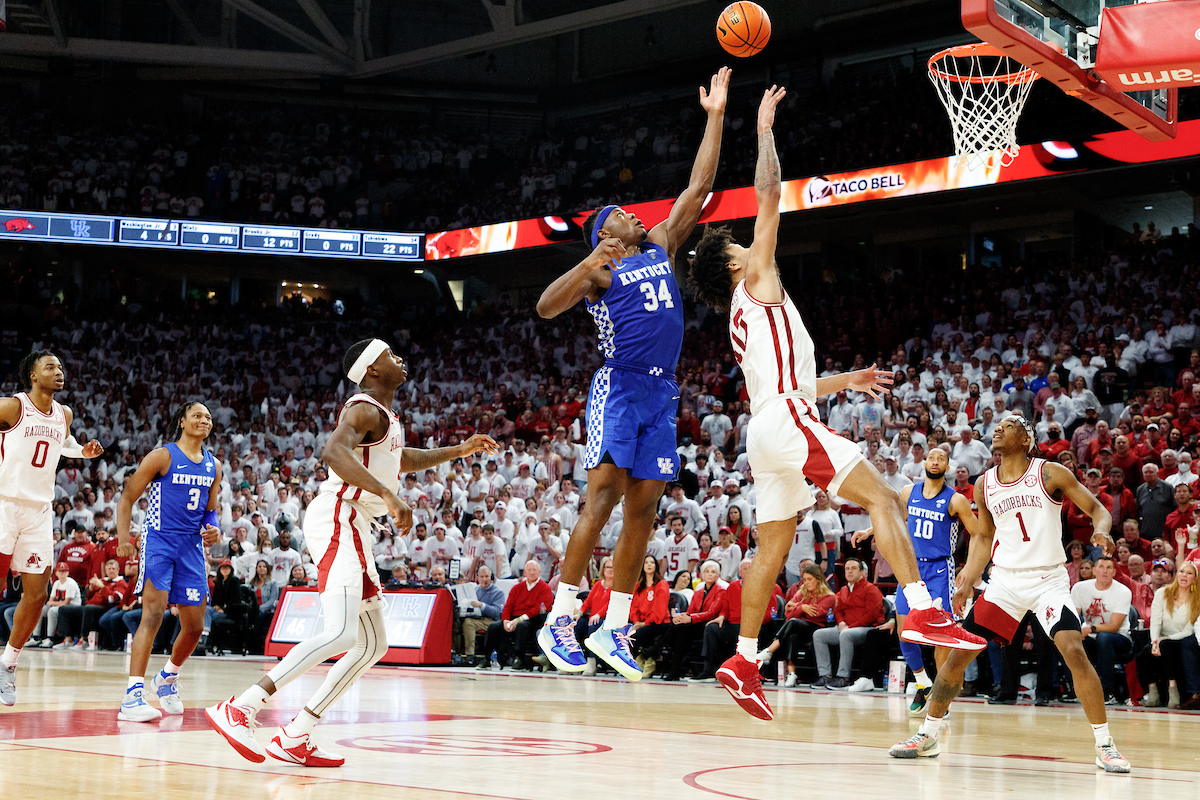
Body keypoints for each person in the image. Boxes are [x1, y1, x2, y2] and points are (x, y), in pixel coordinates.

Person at [686, 85, 983, 721]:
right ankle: (923, 612)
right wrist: (764, 129)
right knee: (885, 499)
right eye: (739, 247)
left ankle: (742, 658)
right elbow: (770, 194)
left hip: (767, 425)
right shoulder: (757, 276)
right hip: (787, 422)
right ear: (733, 265)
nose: (749, 246)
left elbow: (790, 381)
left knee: (772, 546)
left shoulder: (742, 313)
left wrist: (846, 381)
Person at [207, 339, 498, 767]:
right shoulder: (363, 407)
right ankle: (241, 706)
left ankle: (297, 733)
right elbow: (332, 451)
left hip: (355, 522)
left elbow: (400, 460)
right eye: (390, 354)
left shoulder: (386, 418)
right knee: (343, 633)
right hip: (337, 514)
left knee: (373, 644)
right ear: (372, 369)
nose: (400, 358)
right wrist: (388, 495)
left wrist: (458, 450)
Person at [534, 68, 732, 682]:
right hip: (619, 385)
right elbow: (545, 307)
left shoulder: (661, 246)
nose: (632, 215)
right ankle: (560, 619)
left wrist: (715, 116)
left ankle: (614, 626)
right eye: (620, 214)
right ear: (605, 236)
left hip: (661, 391)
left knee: (644, 510)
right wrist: (586, 261)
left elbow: (699, 187)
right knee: (602, 499)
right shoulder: (599, 270)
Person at [887, 415, 1131, 774]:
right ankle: (928, 734)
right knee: (957, 657)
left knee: (1074, 650)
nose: (999, 429)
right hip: (1004, 582)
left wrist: (1103, 530)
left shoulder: (1050, 473)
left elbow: (1097, 509)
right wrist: (969, 578)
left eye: (1010, 425)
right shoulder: (984, 483)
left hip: (1047, 581)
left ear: (1026, 439)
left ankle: (1105, 744)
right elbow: (984, 536)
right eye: (997, 426)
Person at [0, 350, 104, 704]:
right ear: (32, 375)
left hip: (40, 511)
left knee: (37, 594)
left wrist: (82, 452)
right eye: (50, 367)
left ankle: (8, 663)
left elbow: (63, 442)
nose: (58, 371)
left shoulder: (64, 413)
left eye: (60, 367)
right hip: (5, 504)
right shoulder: (13, 407)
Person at [115, 400, 223, 722]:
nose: (204, 420)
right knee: (153, 614)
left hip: (191, 546)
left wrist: (214, 528)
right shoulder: (162, 456)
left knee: (195, 627)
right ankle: (132, 695)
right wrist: (123, 539)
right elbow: (127, 497)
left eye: (208, 417)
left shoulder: (214, 465)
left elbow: (210, 510)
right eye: (197, 415)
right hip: (159, 540)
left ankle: (166, 678)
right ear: (182, 422)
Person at [854, 446, 982, 714]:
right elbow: (894, 518)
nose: (935, 462)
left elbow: (978, 534)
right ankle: (923, 683)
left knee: (939, 636)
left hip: (939, 570)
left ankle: (941, 697)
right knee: (904, 632)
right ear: (924, 463)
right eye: (931, 458)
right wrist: (869, 530)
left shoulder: (955, 500)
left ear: (947, 467)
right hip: (910, 568)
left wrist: (971, 570)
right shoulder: (908, 492)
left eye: (941, 459)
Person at [810, 558, 885, 691]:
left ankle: (843, 677)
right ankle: (825, 675)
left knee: (846, 634)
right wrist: (841, 622)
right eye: (847, 569)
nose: (849, 571)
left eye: (853, 568)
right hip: (846, 627)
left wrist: (850, 627)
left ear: (861, 572)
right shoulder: (844, 590)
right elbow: (837, 610)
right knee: (819, 635)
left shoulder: (871, 589)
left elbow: (871, 615)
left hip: (866, 628)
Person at [756, 564, 835, 687]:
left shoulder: (829, 596)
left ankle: (769, 651)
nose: (806, 583)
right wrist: (803, 608)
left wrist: (797, 607)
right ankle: (792, 674)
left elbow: (816, 614)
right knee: (793, 636)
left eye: (810, 579)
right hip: (798, 627)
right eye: (805, 580)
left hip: (816, 629)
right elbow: (788, 614)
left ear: (818, 579)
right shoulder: (801, 593)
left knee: (793, 623)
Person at [1141, 561, 1200, 709]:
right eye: (1181, 571)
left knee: (1166, 646)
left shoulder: (1197, 599)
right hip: (1161, 637)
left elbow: (1189, 630)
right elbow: (1155, 621)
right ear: (1176, 575)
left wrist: (1165, 639)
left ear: (1195, 579)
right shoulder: (1162, 593)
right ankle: (1153, 691)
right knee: (1145, 652)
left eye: (1189, 573)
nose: (1184, 575)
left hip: (1181, 640)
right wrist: (1155, 642)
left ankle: (1173, 690)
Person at [480, 560, 553, 671]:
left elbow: (538, 609)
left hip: (533, 620)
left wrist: (518, 620)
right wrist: (505, 620)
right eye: (529, 570)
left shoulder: (545, 588)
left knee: (521, 626)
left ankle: (520, 659)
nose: (532, 572)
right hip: (514, 618)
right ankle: (486, 659)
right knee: (493, 626)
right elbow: (508, 606)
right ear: (525, 572)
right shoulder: (517, 588)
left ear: (539, 572)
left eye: (534, 570)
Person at [630, 555, 670, 677]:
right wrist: (636, 621)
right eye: (646, 562)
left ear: (656, 566)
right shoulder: (638, 585)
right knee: (628, 633)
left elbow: (659, 610)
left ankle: (648, 660)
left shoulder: (661, 584)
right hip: (641, 622)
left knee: (639, 634)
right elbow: (633, 607)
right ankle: (641, 659)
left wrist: (644, 623)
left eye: (652, 562)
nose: (649, 564)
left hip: (660, 622)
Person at [576, 557, 614, 676]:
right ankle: (576, 660)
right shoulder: (597, 584)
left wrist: (598, 614)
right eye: (608, 567)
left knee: (593, 626)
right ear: (603, 569)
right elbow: (588, 601)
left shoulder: (617, 586)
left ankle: (592, 663)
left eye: (613, 567)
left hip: (607, 620)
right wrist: (579, 613)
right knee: (578, 624)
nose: (610, 570)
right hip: (592, 618)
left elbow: (610, 604)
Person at [461, 565, 503, 665]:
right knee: (459, 622)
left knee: (468, 623)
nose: (484, 579)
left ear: (491, 577)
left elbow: (497, 612)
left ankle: (470, 655)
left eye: (487, 576)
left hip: (492, 621)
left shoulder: (498, 592)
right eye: (482, 577)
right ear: (478, 578)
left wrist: (482, 605)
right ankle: (457, 653)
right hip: (476, 618)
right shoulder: (475, 590)